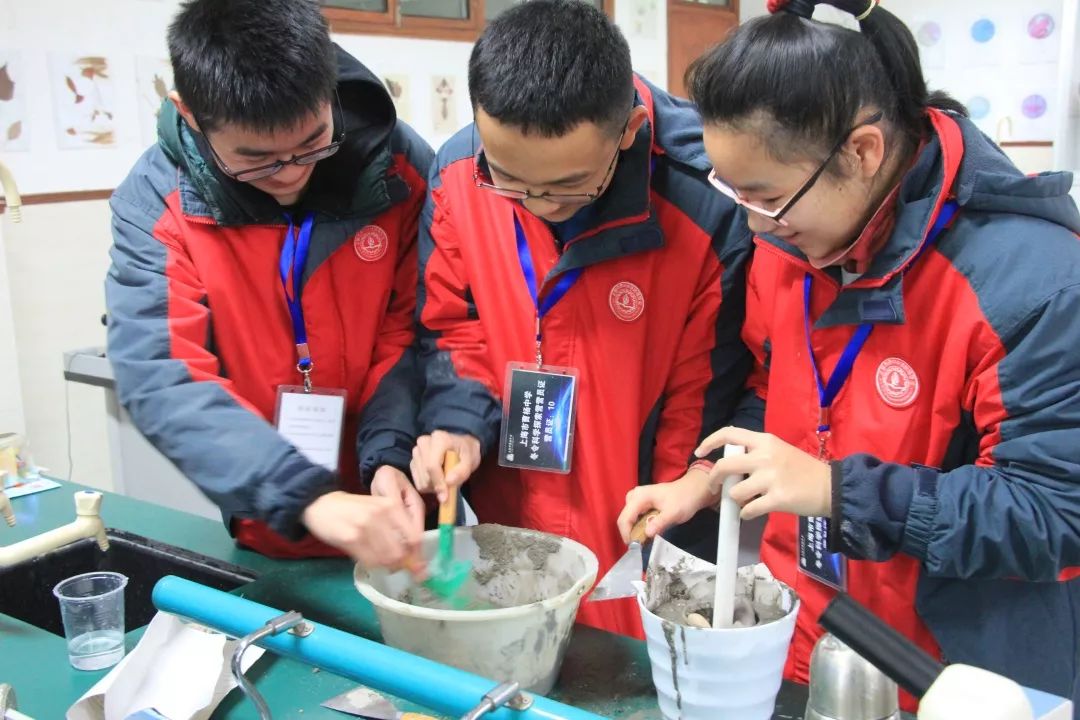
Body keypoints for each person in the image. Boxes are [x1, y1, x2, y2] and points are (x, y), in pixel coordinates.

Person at [619, 0, 1080, 710]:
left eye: (765, 196)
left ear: (862, 153)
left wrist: (837, 490)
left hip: (955, 673)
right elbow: (775, 391)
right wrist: (708, 478)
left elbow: (1051, 513)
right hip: (807, 635)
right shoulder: (792, 241)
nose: (750, 221)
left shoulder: (1032, 277)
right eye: (731, 191)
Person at [411, 0, 751, 636]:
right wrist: (457, 426)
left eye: (569, 185)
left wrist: (672, 511)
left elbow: (703, 393)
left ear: (626, 130)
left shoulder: (705, 208)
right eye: (511, 181)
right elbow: (452, 327)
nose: (541, 205)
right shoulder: (458, 175)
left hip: (637, 529)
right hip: (503, 527)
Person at [105, 0, 433, 571]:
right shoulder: (157, 202)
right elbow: (162, 374)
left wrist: (389, 455)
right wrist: (303, 493)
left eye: (312, 143)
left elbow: (412, 328)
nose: (289, 172)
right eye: (255, 160)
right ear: (188, 113)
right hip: (269, 512)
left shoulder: (396, 167)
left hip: (399, 503)